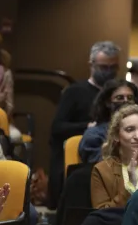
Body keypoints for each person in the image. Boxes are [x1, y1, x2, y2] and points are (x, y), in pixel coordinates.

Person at [48, 41, 121, 209]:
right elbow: (57, 128)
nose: (109, 72)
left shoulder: (119, 93)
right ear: (92, 65)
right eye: (104, 67)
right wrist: (87, 127)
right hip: (84, 158)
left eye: (113, 67)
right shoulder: (75, 91)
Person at [90, 104, 138, 209]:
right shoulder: (102, 170)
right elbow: (102, 215)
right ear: (116, 135)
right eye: (130, 129)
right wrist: (129, 187)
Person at [79, 79, 138, 163]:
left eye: (130, 98)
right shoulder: (94, 134)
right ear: (107, 102)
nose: (126, 101)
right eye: (120, 98)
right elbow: (97, 166)